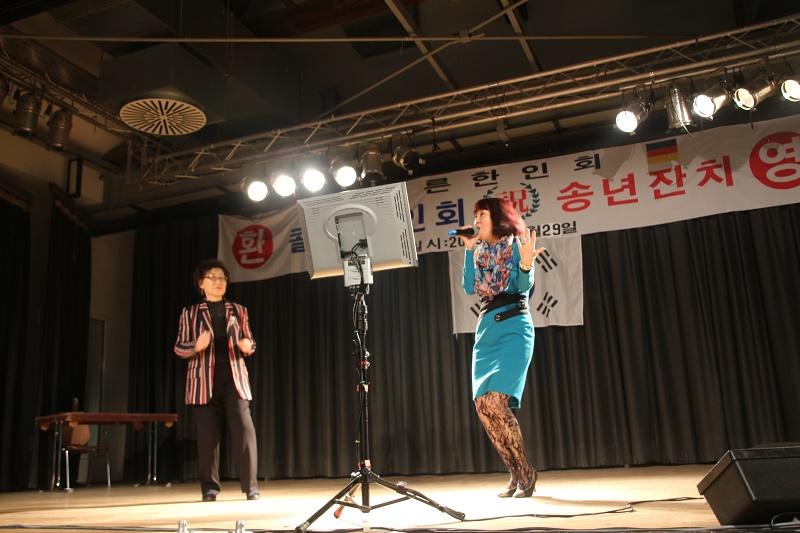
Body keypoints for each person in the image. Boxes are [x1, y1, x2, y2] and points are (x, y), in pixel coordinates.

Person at [457, 197, 545, 498]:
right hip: (486, 332)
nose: (476, 221)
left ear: (497, 218)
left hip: (513, 328)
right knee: (483, 407)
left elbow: (522, 288)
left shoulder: (515, 246)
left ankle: (526, 472)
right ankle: (514, 473)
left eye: (482, 214)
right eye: (475, 216)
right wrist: (469, 251)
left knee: (496, 402)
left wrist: (526, 265)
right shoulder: (479, 252)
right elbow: (469, 287)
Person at [174, 259, 260, 502]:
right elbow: (179, 347)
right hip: (203, 380)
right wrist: (195, 346)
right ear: (201, 283)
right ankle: (209, 488)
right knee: (207, 437)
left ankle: (251, 487)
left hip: (234, 378)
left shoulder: (239, 310)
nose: (218, 282)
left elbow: (250, 341)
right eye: (212, 277)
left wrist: (248, 345)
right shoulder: (190, 313)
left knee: (245, 430)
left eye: (222, 278)